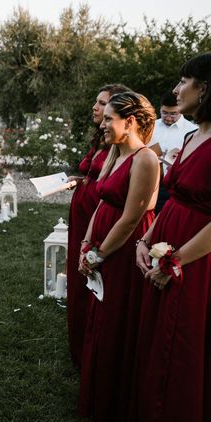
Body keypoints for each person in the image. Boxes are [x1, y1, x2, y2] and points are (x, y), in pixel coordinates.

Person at [128, 51, 211, 422]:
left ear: (206, 88)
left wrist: (174, 260)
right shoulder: (192, 135)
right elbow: (173, 198)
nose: (176, 89)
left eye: (184, 81)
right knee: (155, 340)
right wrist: (147, 240)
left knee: (182, 347)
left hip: (197, 262)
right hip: (166, 245)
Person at [77, 92, 159, 422]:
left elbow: (131, 217)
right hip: (101, 239)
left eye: (110, 118)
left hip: (124, 247)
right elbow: (100, 201)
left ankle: (117, 408)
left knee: (118, 322)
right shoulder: (113, 151)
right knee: (99, 318)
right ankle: (97, 399)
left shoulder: (145, 159)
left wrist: (100, 254)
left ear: (131, 122)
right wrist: (86, 242)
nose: (103, 124)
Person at [66, 83, 130, 368]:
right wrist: (81, 182)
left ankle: (90, 348)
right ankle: (79, 343)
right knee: (76, 274)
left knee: (92, 277)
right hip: (84, 215)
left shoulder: (125, 148)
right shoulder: (100, 138)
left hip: (99, 213)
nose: (95, 107)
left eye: (101, 103)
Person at [148, 90, 197, 213]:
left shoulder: (193, 130)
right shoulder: (150, 126)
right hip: (149, 181)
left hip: (175, 185)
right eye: (164, 113)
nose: (168, 117)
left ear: (181, 109)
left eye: (173, 114)